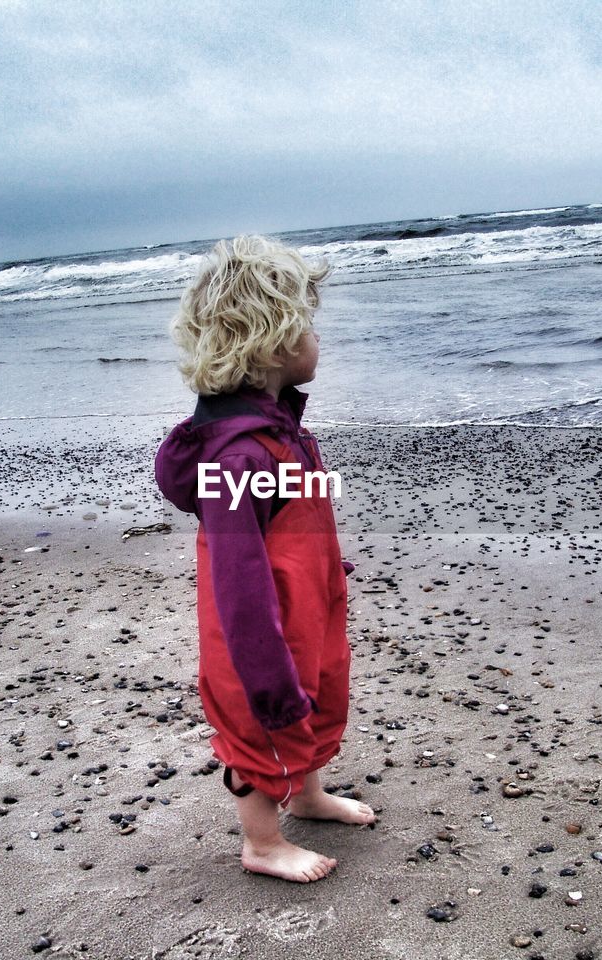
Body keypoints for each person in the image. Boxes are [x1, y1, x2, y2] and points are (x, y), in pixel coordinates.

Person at [155, 235, 374, 884]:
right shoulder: (240, 455)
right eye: (306, 327)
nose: (316, 341)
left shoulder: (284, 431)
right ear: (274, 344)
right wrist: (263, 663)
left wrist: (330, 572)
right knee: (265, 719)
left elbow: (299, 515)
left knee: (321, 695)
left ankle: (307, 795)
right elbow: (238, 576)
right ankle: (262, 840)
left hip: (310, 601)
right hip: (262, 626)